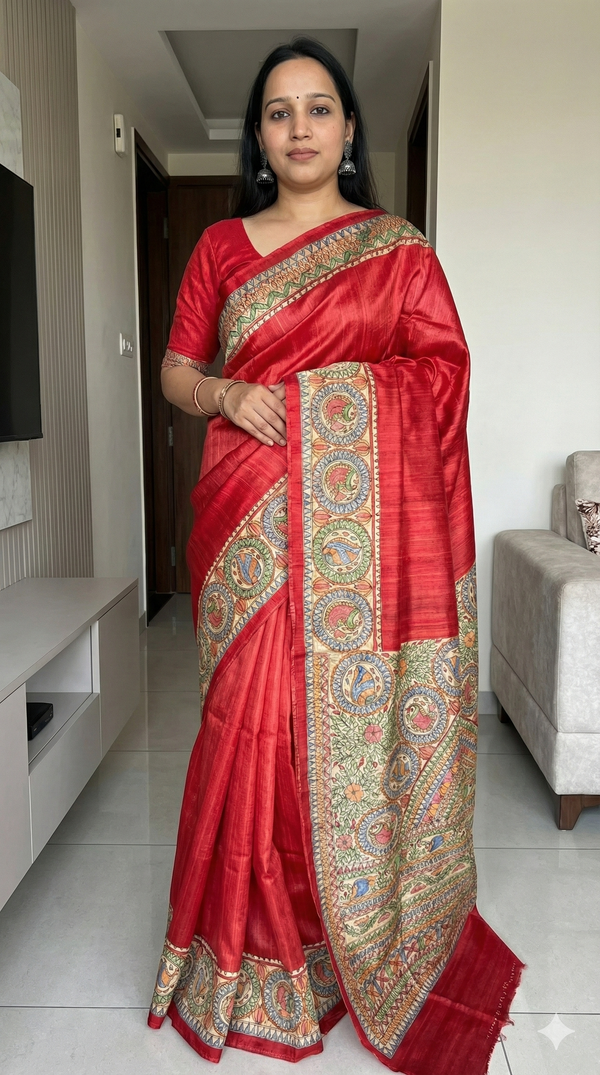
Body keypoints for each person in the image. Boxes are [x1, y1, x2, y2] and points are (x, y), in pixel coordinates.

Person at [148, 37, 523, 1074]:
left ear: (350, 129)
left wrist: (324, 406)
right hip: (245, 517)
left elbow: (441, 374)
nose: (301, 127)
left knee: (326, 729)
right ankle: (248, 955)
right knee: (248, 726)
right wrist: (228, 394)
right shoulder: (222, 247)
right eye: (279, 112)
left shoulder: (396, 248)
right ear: (259, 137)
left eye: (320, 108)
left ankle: (343, 939)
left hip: (355, 547)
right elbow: (179, 372)